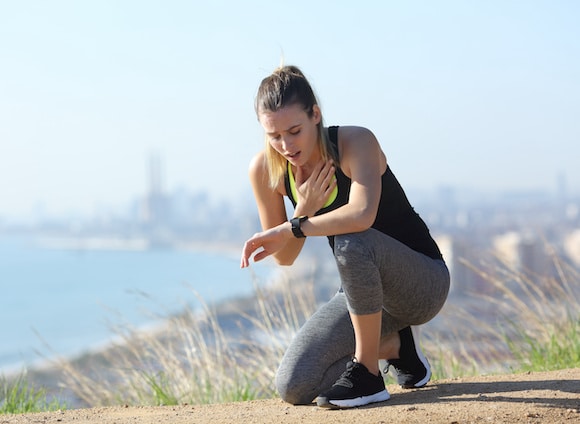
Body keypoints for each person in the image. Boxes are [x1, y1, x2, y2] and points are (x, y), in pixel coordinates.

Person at [240, 65, 450, 409]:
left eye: (295, 131)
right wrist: (302, 210)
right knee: (293, 385)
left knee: (354, 240)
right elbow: (285, 257)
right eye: (274, 136)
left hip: (422, 283)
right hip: (361, 294)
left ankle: (368, 375)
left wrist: (293, 227)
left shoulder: (355, 142)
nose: (286, 145)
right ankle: (399, 347)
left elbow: (362, 215)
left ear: (316, 115)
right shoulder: (266, 169)